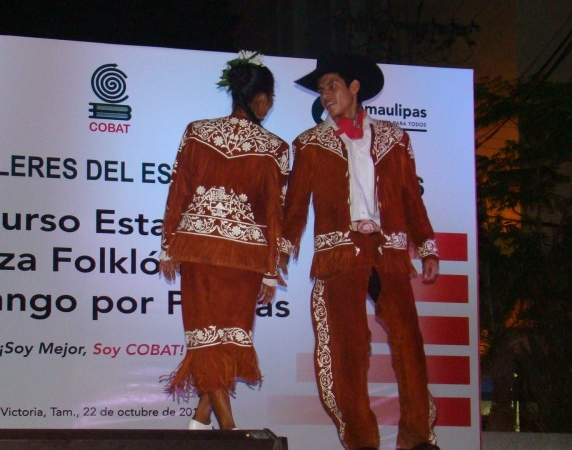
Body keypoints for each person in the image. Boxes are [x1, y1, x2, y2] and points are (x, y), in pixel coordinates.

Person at [280, 54, 441, 450]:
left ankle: (418, 438)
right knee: (349, 350)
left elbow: (410, 197)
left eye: (331, 85)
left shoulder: (394, 137)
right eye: (321, 89)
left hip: (389, 251)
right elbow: (295, 206)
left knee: (409, 343)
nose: (326, 94)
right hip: (339, 254)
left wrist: (428, 247)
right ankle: (362, 441)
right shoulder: (310, 143)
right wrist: (279, 256)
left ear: (354, 87)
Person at [159, 50, 289, 431]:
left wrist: (169, 246)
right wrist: (270, 272)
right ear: (261, 99)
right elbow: (273, 216)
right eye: (271, 98)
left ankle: (201, 422)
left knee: (208, 339)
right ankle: (230, 432)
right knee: (227, 341)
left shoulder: (196, 131)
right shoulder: (276, 149)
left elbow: (177, 192)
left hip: (199, 253)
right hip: (245, 261)